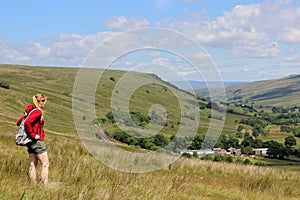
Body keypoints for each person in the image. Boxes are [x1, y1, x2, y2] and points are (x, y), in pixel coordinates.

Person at [17, 94, 49, 186]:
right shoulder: (38, 112)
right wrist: (34, 135)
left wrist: (25, 115)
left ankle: (32, 185)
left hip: (29, 142)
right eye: (44, 101)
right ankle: (45, 186)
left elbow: (19, 122)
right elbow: (27, 123)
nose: (45, 104)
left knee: (33, 164)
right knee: (45, 164)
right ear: (40, 102)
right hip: (37, 142)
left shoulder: (30, 111)